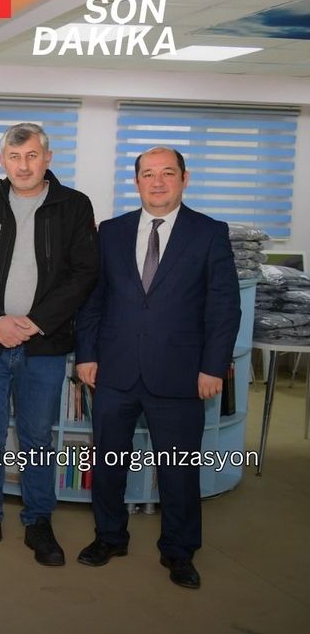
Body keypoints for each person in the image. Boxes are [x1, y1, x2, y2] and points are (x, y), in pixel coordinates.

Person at [75, 146, 240, 589]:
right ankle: (109, 537)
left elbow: (224, 308)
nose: (158, 181)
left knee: (178, 470)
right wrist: (87, 354)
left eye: (168, 172)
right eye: (148, 174)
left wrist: (213, 367)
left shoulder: (209, 232)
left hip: (181, 373)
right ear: (136, 182)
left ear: (185, 178)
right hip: (115, 371)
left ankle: (179, 551)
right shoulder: (111, 231)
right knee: (109, 462)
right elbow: (93, 300)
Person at [0, 122, 98, 566]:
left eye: (32, 156)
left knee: (37, 436)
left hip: (43, 346)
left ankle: (38, 521)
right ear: (2, 161)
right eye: (14, 157)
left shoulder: (73, 206)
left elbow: (84, 272)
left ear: (47, 158)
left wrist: (36, 323)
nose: (24, 165)